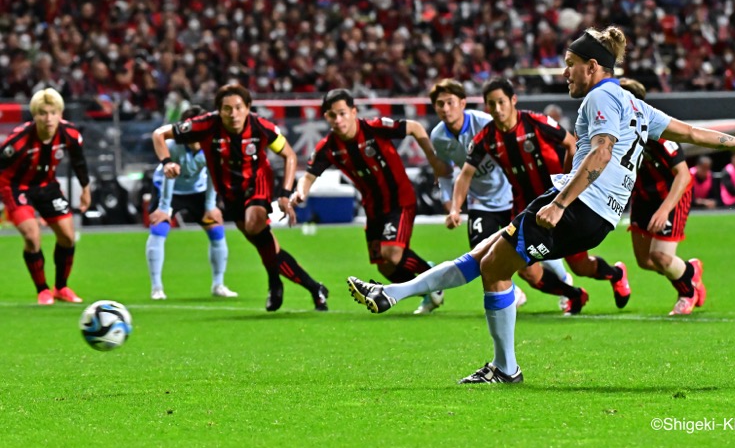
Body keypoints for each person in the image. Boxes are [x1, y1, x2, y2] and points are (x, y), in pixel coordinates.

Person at [347, 26, 735, 384]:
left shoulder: (601, 97)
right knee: (486, 256)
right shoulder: (634, 103)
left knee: (495, 269)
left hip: (578, 206)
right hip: (593, 212)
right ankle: (392, 294)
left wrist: (560, 203)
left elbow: (603, 151)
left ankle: (505, 368)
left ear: (593, 67)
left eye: (571, 66)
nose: (565, 74)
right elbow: (690, 132)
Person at [152, 84, 328, 312]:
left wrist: (285, 194)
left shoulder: (261, 127)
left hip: (258, 183)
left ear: (247, 108)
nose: (233, 114)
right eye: (227, 109)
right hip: (230, 192)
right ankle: (312, 288)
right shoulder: (205, 125)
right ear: (218, 111)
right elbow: (159, 134)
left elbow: (289, 155)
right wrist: (167, 162)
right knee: (264, 244)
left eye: (238, 108)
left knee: (256, 224)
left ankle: (277, 286)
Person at [291, 88, 449, 312]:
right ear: (326, 117)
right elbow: (308, 177)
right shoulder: (329, 147)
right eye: (332, 115)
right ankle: (429, 287)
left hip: (399, 200)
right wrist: (300, 193)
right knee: (385, 268)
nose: (338, 119)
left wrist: (433, 161)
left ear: (353, 112)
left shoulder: (374, 128)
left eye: (343, 113)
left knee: (391, 252)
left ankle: (432, 274)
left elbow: (414, 127)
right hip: (374, 208)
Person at [444, 77, 586, 314]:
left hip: (558, 202)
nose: (497, 110)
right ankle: (573, 294)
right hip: (525, 207)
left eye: (501, 102)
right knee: (526, 269)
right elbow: (465, 174)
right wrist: (454, 209)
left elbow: (572, 144)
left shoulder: (535, 121)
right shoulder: (486, 137)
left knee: (582, 265)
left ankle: (614, 274)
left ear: (513, 100)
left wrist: (566, 184)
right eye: (491, 104)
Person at [429, 78, 531, 313]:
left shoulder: (485, 124)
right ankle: (513, 293)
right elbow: (446, 173)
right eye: (440, 104)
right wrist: (453, 205)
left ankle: (564, 281)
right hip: (480, 201)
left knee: (530, 260)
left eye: (450, 102)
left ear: (463, 103)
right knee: (481, 252)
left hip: (510, 196)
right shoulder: (438, 137)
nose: (445, 109)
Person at [619, 78, 706, 316]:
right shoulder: (616, 131)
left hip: (672, 194)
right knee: (645, 261)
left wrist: (665, 210)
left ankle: (687, 292)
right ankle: (690, 270)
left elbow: (683, 175)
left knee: (660, 257)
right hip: (643, 195)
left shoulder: (658, 130)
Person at [0, 88, 91, 304]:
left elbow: (79, 161)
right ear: (34, 115)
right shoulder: (18, 141)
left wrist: (85, 189)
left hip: (47, 186)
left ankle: (61, 287)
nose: (48, 118)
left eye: (52, 112)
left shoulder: (70, 134)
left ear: (60, 113)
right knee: (32, 237)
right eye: (42, 113)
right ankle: (43, 290)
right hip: (16, 187)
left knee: (68, 237)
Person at [146, 105, 237, 300]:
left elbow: (214, 174)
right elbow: (169, 175)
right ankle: (157, 288)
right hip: (168, 188)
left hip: (198, 190)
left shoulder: (213, 145)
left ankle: (218, 284)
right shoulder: (173, 145)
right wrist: (164, 208)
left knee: (216, 230)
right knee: (159, 228)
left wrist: (210, 205)